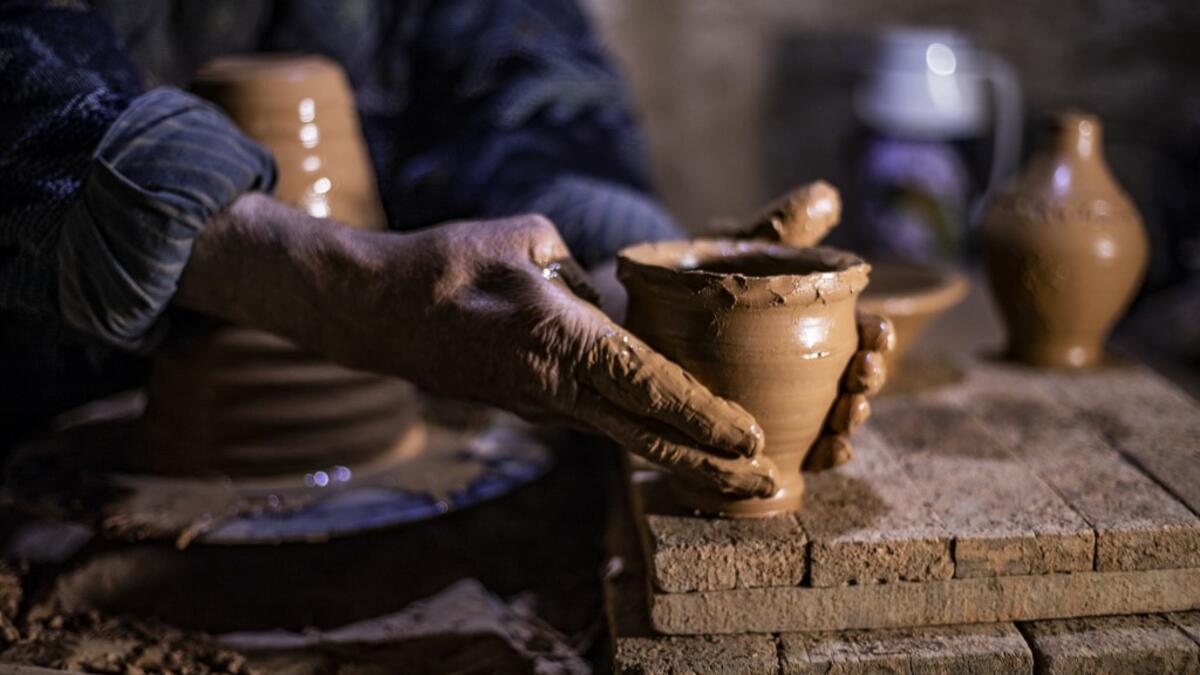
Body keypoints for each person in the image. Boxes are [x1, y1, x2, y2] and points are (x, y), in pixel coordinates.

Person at [0, 0, 883, 498]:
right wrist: (340, 289)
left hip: (383, 430)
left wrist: (639, 286)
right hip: (54, 433)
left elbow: (528, 76)